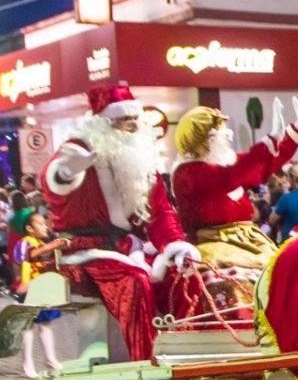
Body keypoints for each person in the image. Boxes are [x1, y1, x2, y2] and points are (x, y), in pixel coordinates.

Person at [40, 84, 200, 362]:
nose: (132, 128)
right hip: (86, 250)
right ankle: (145, 362)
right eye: (124, 121)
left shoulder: (140, 159)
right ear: (103, 123)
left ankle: (189, 354)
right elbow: (55, 180)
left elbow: (160, 212)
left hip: (129, 248)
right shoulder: (79, 148)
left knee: (183, 275)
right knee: (135, 282)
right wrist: (65, 173)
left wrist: (175, 245)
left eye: (135, 121)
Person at [171, 103, 298, 317]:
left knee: (284, 267)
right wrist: (267, 140)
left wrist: (293, 133)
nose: (228, 136)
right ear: (204, 140)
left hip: (248, 239)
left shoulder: (222, 165)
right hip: (213, 241)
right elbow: (230, 176)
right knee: (228, 273)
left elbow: (260, 169)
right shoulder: (188, 173)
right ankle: (240, 326)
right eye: (221, 132)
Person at [11, 209, 64, 378]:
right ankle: (27, 362)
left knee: (46, 323)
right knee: (28, 326)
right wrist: (24, 282)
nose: (44, 227)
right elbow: (26, 258)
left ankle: (50, 358)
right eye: (39, 223)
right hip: (30, 288)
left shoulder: (42, 242)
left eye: (44, 223)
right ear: (29, 228)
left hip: (44, 287)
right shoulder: (25, 243)